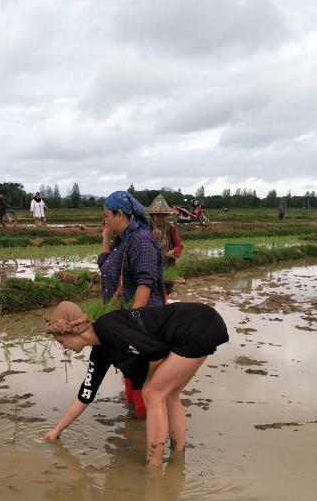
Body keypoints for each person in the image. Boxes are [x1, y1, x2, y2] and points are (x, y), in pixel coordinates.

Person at [43, 299, 229, 468]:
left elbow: (156, 351)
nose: (63, 347)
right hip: (202, 324)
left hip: (196, 324)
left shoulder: (109, 327)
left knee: (153, 393)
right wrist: (56, 430)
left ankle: (153, 466)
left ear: (70, 330)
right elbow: (86, 393)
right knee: (169, 394)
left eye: (60, 341)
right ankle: (178, 456)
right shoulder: (100, 350)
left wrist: (151, 384)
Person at [98, 190, 166, 417]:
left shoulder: (142, 240)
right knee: (129, 370)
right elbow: (105, 268)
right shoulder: (122, 241)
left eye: (107, 216)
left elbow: (145, 284)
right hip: (126, 318)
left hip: (143, 321)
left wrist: (132, 323)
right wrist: (106, 239)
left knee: (143, 375)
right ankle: (135, 420)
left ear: (120, 214)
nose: (104, 221)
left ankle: (146, 425)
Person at [147, 195, 183, 266]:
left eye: (163, 215)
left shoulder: (170, 228)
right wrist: (151, 237)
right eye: (158, 216)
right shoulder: (146, 227)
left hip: (166, 263)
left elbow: (179, 245)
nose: (161, 218)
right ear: (152, 215)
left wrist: (172, 251)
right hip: (149, 263)